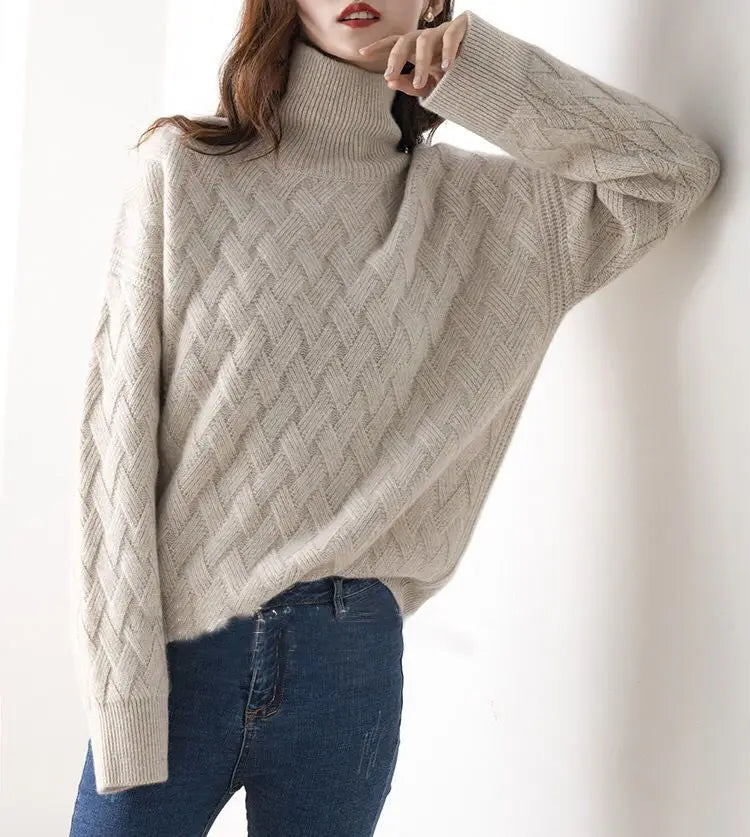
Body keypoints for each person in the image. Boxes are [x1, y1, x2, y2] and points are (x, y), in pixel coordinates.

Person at [68, 1, 721, 834]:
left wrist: (481, 71)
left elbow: (671, 171)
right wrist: (123, 694)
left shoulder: (485, 213)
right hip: (178, 657)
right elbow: (113, 454)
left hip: (349, 669)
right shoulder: (184, 172)